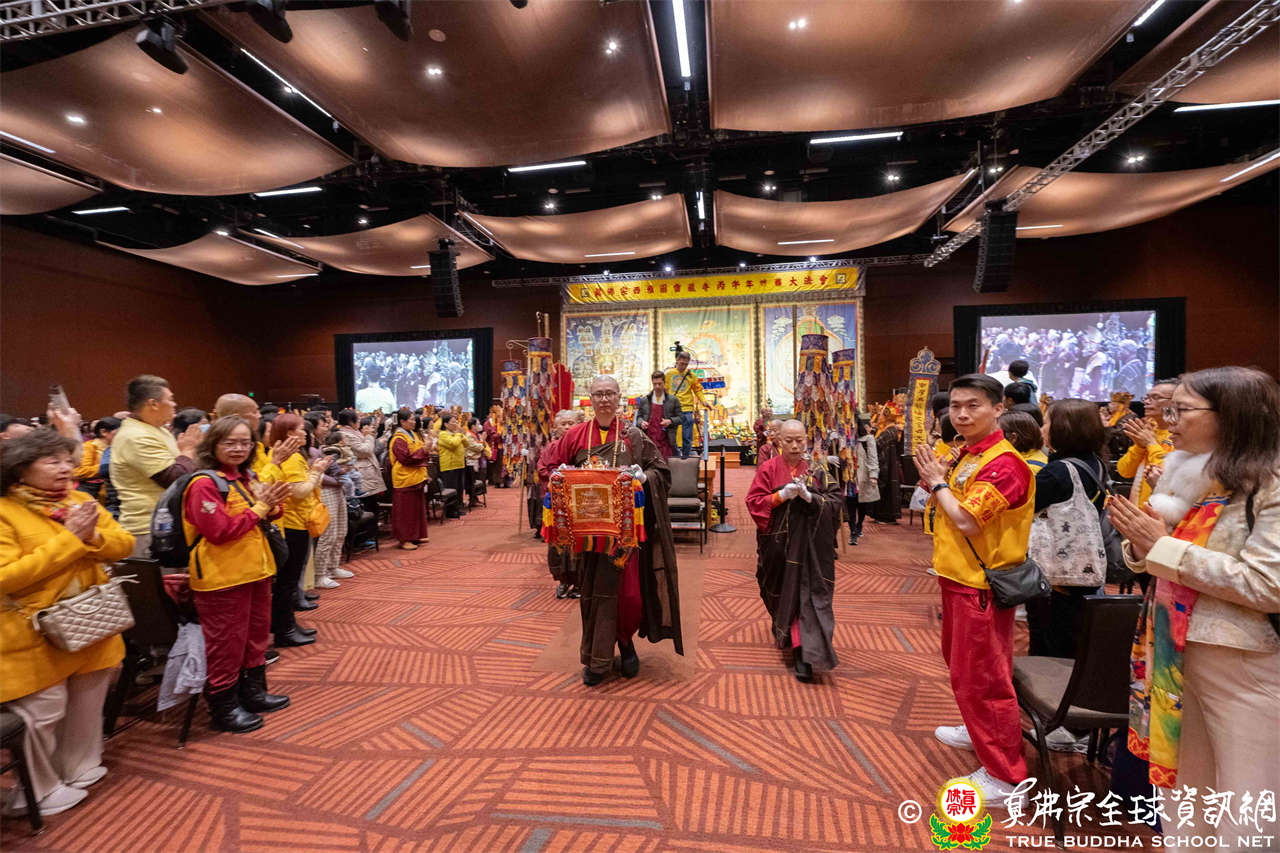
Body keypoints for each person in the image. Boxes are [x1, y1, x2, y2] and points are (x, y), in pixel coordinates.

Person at [1108, 367, 1280, 844]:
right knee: (1186, 795)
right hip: (1175, 655)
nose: (1168, 422)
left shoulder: (1270, 484)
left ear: (1232, 415)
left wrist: (1161, 546)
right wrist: (1143, 543)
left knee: (1248, 802)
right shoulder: (1194, 473)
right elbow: (1164, 555)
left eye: (1180, 410)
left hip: (1244, 662)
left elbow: (1268, 584)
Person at [912, 374, 1033, 808]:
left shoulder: (1005, 463)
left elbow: (965, 519)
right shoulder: (967, 452)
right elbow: (946, 499)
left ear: (999, 408)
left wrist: (938, 482)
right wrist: (936, 478)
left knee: (985, 679)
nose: (961, 414)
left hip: (980, 584)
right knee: (964, 670)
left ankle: (1007, 776)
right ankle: (978, 730)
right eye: (956, 406)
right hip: (957, 577)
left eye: (973, 406)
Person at [0, 429, 134, 817]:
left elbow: (123, 543)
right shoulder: (6, 511)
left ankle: (79, 766)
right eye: (52, 461)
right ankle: (35, 791)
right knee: (43, 710)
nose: (65, 469)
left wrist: (92, 537)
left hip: (90, 618)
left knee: (88, 698)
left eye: (67, 460)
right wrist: (71, 539)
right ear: (20, 469)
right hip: (32, 629)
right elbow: (7, 577)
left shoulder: (79, 500)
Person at [538, 376, 683, 685]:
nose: (604, 399)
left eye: (609, 394)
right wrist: (559, 476)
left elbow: (661, 471)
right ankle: (597, 658)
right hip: (588, 535)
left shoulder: (633, 436)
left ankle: (626, 642)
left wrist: (644, 478)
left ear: (619, 397)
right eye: (598, 394)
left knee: (629, 598)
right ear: (590, 398)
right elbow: (548, 468)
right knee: (594, 594)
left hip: (624, 535)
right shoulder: (575, 435)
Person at [182, 418, 292, 732]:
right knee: (226, 644)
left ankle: (253, 693)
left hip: (256, 570)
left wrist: (272, 506)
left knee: (256, 637)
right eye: (229, 443)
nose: (238, 449)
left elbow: (265, 513)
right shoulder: (204, 483)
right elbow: (219, 531)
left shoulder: (246, 477)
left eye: (245, 442)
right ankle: (224, 708)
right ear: (212, 445)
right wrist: (260, 508)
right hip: (222, 577)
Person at [745, 420, 842, 681]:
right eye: (789, 440)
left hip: (810, 548)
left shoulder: (817, 469)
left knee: (806, 595)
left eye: (800, 440)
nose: (795, 446)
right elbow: (754, 502)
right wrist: (781, 496)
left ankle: (803, 652)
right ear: (779, 441)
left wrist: (811, 498)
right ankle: (785, 631)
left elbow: (835, 501)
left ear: (806, 439)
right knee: (782, 591)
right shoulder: (768, 469)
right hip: (778, 548)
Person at [1028, 399, 1108, 657]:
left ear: (1063, 428)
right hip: (1083, 567)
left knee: (1048, 642)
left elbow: (1023, 508)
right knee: (1073, 636)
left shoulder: (1058, 472)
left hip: (1055, 573)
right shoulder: (1096, 462)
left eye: (1046, 423)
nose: (1042, 429)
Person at [109, 375, 202, 558]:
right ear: (153, 404)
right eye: (170, 399)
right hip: (149, 530)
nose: (175, 404)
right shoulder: (135, 436)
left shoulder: (155, 429)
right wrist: (188, 450)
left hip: (169, 524)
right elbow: (175, 479)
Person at [260, 414, 330, 647]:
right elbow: (300, 492)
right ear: (289, 433)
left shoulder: (293, 456)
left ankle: (287, 624)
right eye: (301, 429)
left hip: (296, 521)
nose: (306, 433)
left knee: (289, 579)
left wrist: (315, 471)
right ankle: (285, 629)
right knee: (288, 581)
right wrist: (316, 471)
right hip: (292, 524)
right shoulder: (289, 458)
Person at [1117, 379, 1177, 507]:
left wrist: (1151, 443)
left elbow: (1169, 477)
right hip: (1142, 508)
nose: (1147, 402)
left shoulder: (1181, 434)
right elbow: (1124, 471)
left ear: (1176, 401)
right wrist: (1139, 446)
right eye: (1147, 397)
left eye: (1155, 397)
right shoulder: (1149, 429)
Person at [542, 410, 582, 600]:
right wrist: (557, 476)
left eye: (571, 423)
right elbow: (542, 469)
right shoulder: (551, 447)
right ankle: (563, 581)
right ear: (556, 427)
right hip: (557, 501)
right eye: (563, 424)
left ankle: (579, 582)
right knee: (558, 543)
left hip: (578, 501)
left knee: (578, 542)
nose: (567, 427)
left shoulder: (582, 446)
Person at [387, 408, 431, 549]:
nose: (414, 422)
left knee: (416, 509)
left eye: (413, 419)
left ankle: (416, 535)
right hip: (404, 478)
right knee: (405, 511)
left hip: (416, 476)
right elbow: (406, 459)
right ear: (402, 421)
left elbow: (420, 452)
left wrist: (426, 449)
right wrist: (424, 450)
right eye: (411, 419)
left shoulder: (413, 434)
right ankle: (404, 539)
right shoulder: (398, 438)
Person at [336, 408, 385, 510]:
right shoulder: (346, 435)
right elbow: (365, 451)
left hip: (366, 474)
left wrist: (370, 434)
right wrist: (368, 436)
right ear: (350, 422)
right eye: (358, 419)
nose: (360, 422)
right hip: (361, 475)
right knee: (367, 506)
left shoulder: (353, 432)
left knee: (372, 505)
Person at [665, 350, 710, 459]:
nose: (683, 366)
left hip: (687, 409)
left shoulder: (691, 375)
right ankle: (675, 455)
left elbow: (698, 390)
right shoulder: (669, 374)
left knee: (687, 436)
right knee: (672, 436)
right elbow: (664, 390)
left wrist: (704, 401)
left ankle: (685, 457)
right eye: (682, 363)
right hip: (673, 409)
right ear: (677, 360)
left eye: (686, 364)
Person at [73, 416, 120, 502]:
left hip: (110, 494)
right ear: (103, 432)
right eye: (119, 432)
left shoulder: (118, 447)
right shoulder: (89, 446)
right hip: (92, 494)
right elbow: (79, 471)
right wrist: (107, 466)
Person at [636, 370, 681, 459]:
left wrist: (670, 421)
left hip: (667, 441)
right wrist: (641, 423)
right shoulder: (645, 400)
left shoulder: (673, 400)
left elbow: (681, 418)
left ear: (664, 383)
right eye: (655, 384)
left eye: (660, 384)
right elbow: (639, 417)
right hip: (649, 440)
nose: (657, 386)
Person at [851, 417, 879, 544]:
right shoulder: (844, 439)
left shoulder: (868, 439)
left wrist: (873, 475)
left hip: (863, 476)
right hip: (849, 477)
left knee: (861, 504)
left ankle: (859, 524)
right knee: (850, 503)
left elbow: (873, 458)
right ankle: (853, 530)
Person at [435, 414, 466, 519]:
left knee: (460, 488)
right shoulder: (443, 434)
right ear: (446, 424)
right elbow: (453, 444)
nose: (456, 424)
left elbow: (466, 443)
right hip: (449, 465)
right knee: (452, 488)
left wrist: (460, 435)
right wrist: (459, 435)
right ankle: (451, 511)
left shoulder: (456, 434)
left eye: (456, 422)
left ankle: (458, 508)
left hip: (459, 464)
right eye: (453, 422)